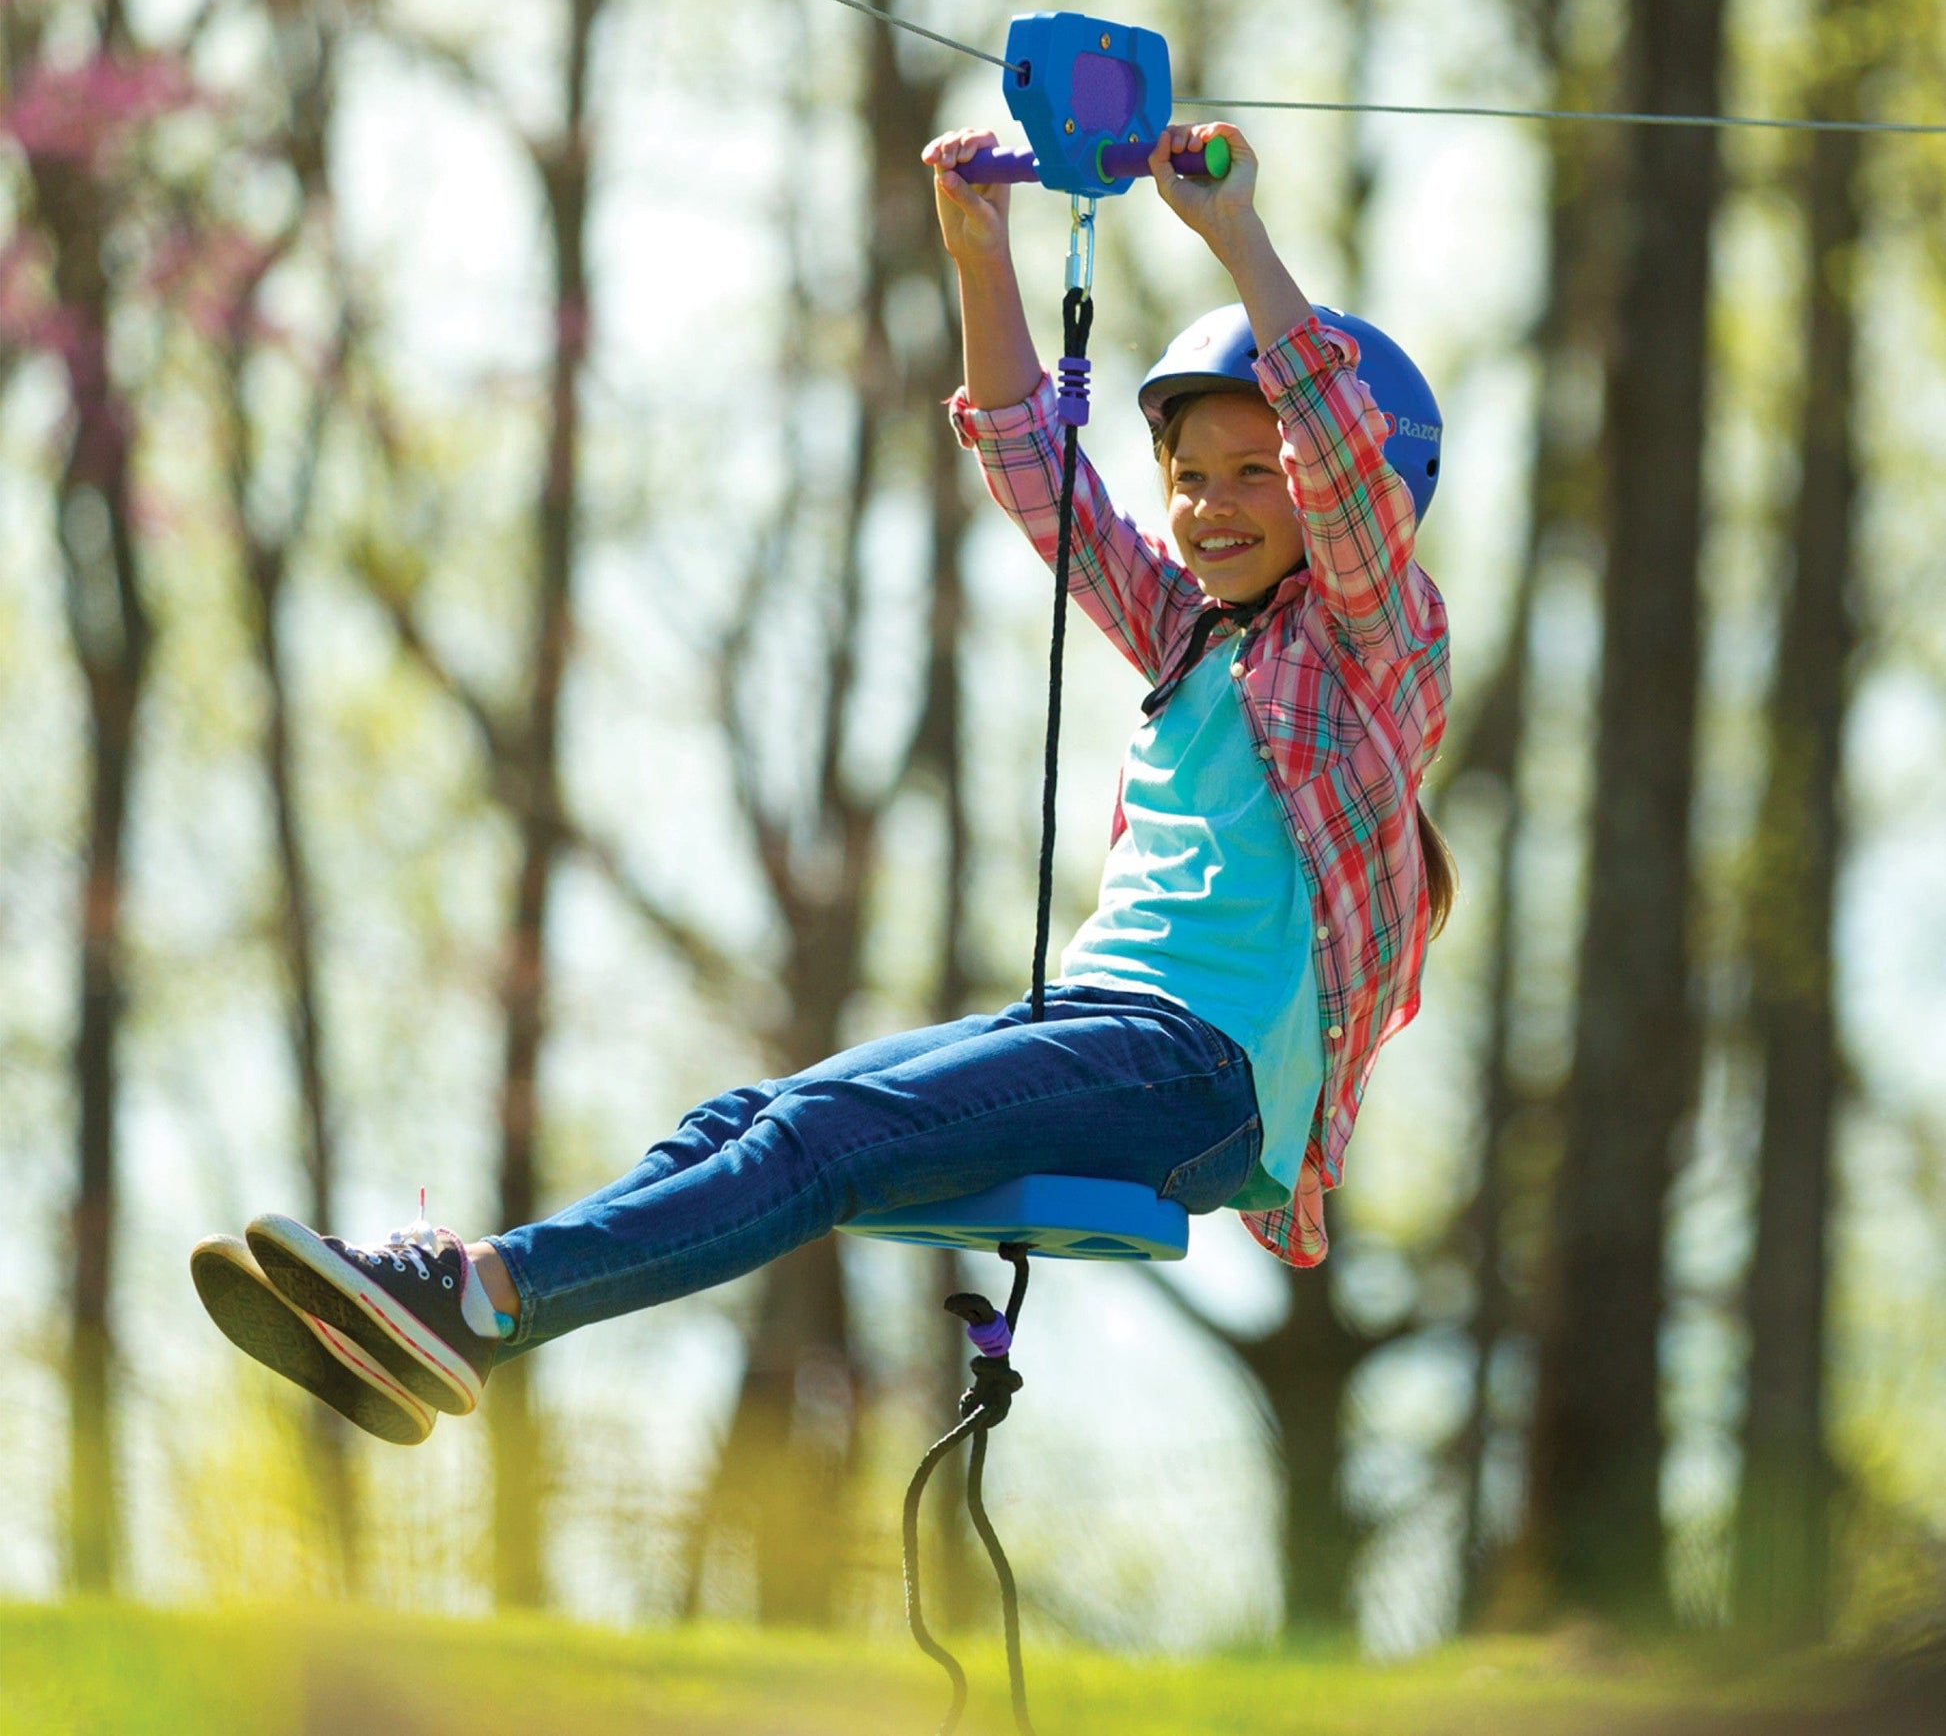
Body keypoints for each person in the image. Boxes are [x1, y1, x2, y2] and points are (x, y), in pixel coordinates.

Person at [192, 121, 1453, 1441]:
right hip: (1098, 1026)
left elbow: (1338, 452)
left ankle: (476, 1295)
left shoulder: (1375, 647)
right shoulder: (1191, 636)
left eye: (1257, 472)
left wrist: (1232, 235)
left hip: (1196, 1073)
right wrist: (978, 251)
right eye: (1189, 476)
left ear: (1357, 491)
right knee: (748, 1117)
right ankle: (456, 1320)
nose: (1210, 504)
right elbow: (1035, 471)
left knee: (823, 1137)